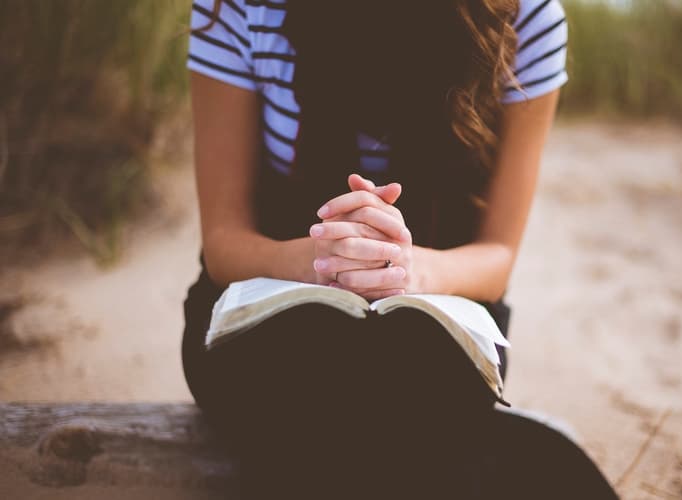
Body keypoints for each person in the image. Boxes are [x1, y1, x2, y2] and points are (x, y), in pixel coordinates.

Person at [181, 0, 619, 498]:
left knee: (407, 376)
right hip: (265, 308)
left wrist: (406, 271)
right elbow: (223, 244)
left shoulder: (524, 19)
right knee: (312, 382)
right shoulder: (241, 7)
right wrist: (323, 260)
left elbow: (496, 256)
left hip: (438, 318)